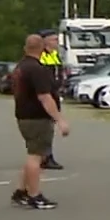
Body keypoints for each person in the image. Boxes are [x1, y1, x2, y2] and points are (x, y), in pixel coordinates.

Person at [9, 34, 69, 209]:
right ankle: (34, 195)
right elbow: (44, 97)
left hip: (24, 115)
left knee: (33, 154)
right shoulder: (37, 69)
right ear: (42, 47)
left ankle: (21, 191)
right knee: (37, 157)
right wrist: (60, 119)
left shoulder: (21, 67)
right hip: (37, 117)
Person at [37, 29, 66, 170]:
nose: (57, 42)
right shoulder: (39, 56)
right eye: (54, 39)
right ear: (45, 41)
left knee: (49, 127)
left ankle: (45, 155)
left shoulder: (55, 55)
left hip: (54, 94)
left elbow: (58, 72)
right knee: (43, 128)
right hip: (43, 95)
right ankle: (44, 156)